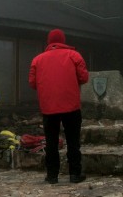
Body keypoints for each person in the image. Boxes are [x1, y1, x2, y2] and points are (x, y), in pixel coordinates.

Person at [29, 29, 89, 184]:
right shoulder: (74, 55)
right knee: (73, 141)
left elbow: (32, 83)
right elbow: (84, 77)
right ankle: (75, 174)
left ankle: (52, 175)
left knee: (51, 142)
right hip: (71, 106)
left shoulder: (37, 59)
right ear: (63, 40)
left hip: (49, 107)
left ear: (49, 41)